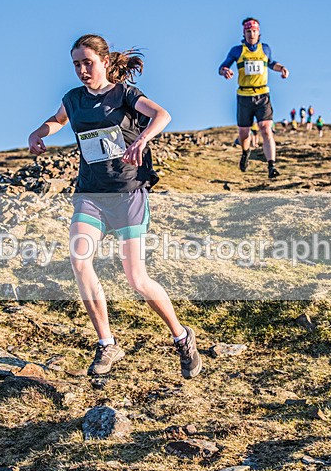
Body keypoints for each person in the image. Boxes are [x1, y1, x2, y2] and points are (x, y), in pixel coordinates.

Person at [27, 34, 202, 379]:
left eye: (87, 63)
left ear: (105, 62)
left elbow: (162, 115)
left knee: (136, 278)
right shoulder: (73, 98)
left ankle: (181, 337)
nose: (81, 70)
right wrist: (37, 133)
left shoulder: (123, 94)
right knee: (79, 261)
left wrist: (142, 140)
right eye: (76, 64)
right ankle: (107, 343)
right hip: (90, 194)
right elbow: (59, 119)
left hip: (127, 192)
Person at [218, 17, 289, 177]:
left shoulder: (265, 49)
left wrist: (282, 68)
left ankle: (272, 166)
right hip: (244, 96)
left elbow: (271, 63)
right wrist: (225, 71)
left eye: (254, 31)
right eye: (248, 31)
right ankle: (245, 152)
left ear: (259, 33)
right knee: (244, 133)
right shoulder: (237, 50)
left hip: (262, 94)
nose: (251, 34)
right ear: (244, 33)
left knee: (265, 128)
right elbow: (222, 66)